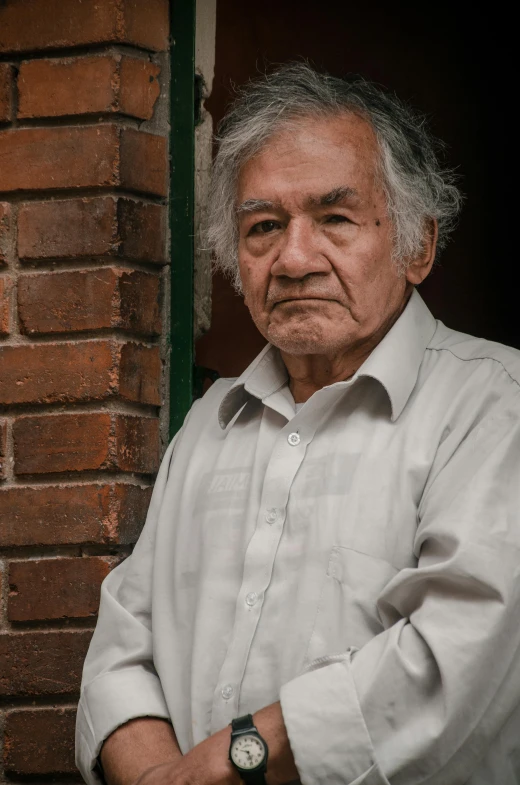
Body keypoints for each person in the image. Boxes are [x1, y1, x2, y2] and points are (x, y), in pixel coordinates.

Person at [76, 63, 520, 785]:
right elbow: (123, 645)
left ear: (417, 246)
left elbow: (457, 652)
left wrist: (230, 763)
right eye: (263, 227)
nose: (293, 257)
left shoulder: (495, 405)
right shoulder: (208, 423)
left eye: (335, 219)